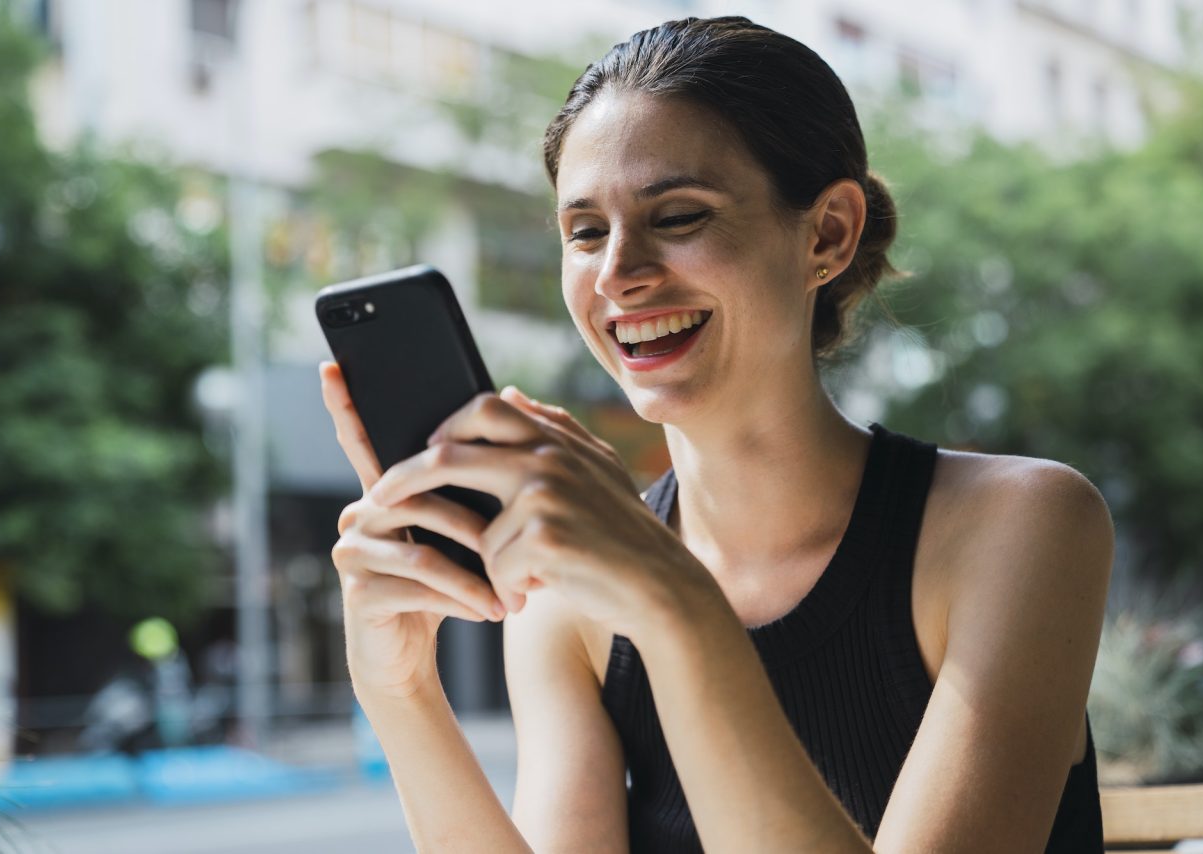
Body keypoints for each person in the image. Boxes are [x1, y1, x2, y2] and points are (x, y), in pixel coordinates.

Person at [319, 16, 1113, 853]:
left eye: (679, 215)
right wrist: (399, 691)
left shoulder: (1022, 526)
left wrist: (674, 601)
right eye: (585, 232)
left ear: (827, 235)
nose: (619, 273)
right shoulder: (567, 602)